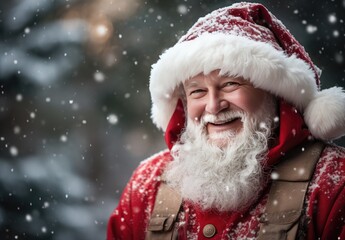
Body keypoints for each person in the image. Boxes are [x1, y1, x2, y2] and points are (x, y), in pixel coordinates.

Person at [107, 2, 345, 239]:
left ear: (275, 94)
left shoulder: (334, 184)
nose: (213, 106)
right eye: (197, 91)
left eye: (231, 84)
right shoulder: (147, 183)